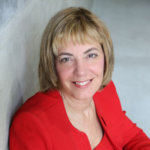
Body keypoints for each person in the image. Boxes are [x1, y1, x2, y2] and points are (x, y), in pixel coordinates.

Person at [9, 7, 150, 150]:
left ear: (105, 56)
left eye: (91, 55)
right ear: (52, 64)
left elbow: (132, 138)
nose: (81, 71)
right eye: (67, 59)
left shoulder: (104, 91)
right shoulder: (32, 124)